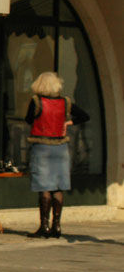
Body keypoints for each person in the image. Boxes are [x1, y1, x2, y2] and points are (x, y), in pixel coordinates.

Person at [24, 72, 89, 239]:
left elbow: (29, 119)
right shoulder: (65, 102)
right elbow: (84, 116)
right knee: (58, 187)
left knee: (44, 186)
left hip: (42, 145)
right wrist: (68, 122)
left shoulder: (37, 101)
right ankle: (57, 225)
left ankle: (44, 225)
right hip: (60, 147)